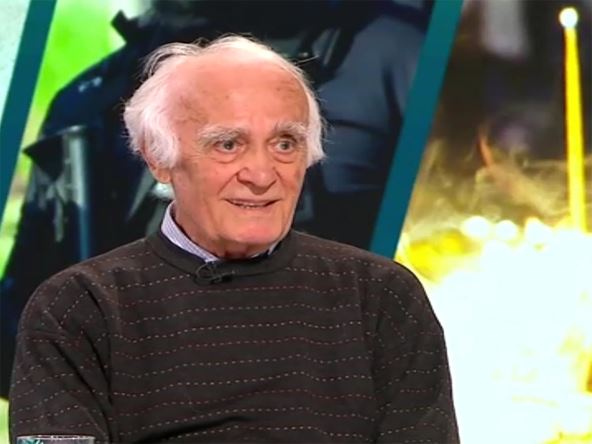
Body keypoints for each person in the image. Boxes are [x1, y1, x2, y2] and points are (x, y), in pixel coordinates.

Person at [9, 36, 458, 444]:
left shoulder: (381, 297)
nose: (261, 175)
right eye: (228, 145)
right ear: (158, 158)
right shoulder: (78, 307)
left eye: (285, 144)